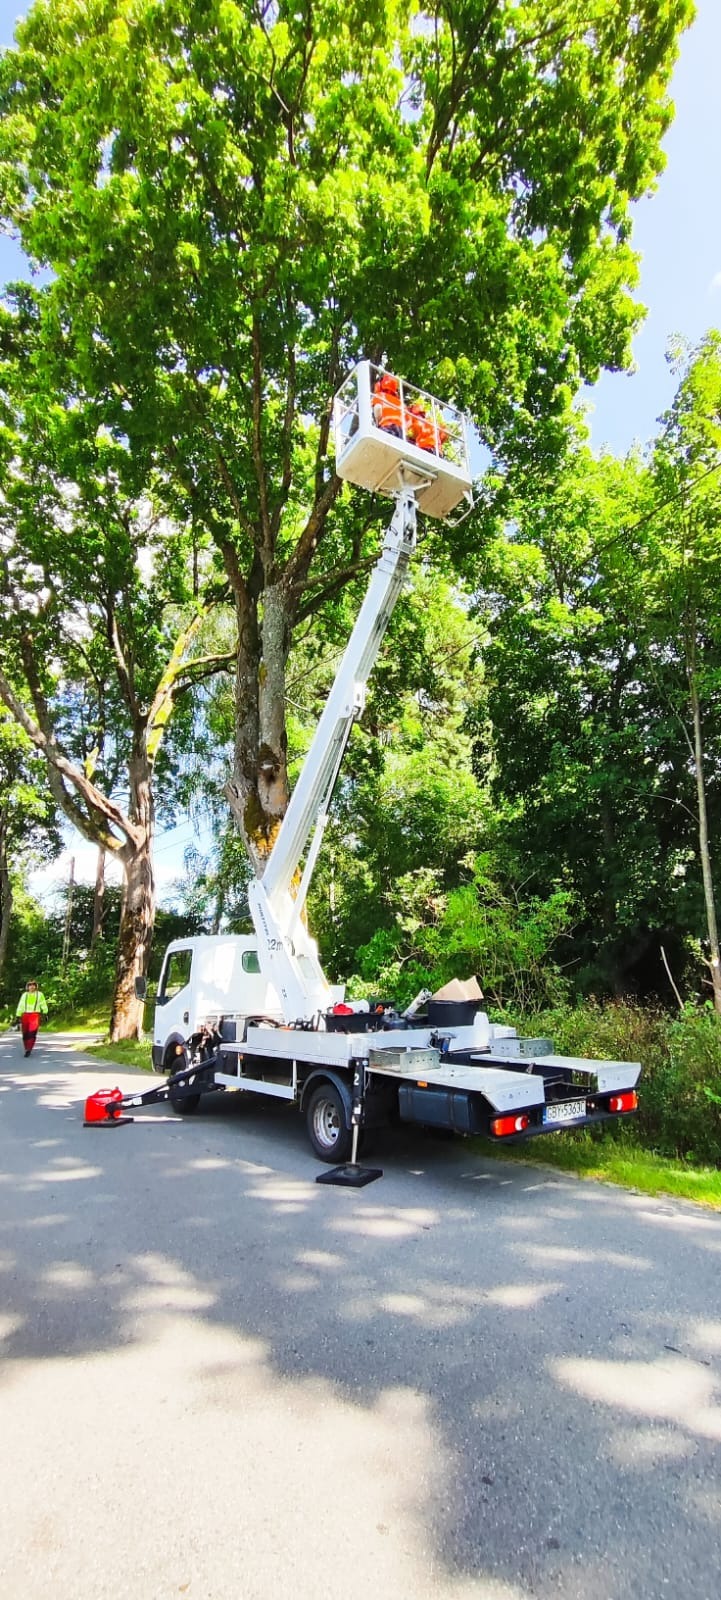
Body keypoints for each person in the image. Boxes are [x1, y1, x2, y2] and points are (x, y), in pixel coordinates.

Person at [15, 980, 49, 1057]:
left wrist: (45, 1013)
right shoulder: (25, 995)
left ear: (36, 986)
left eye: (33, 985)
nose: (32, 986)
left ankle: (29, 1049)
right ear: (28, 987)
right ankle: (26, 1047)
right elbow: (21, 1005)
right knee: (25, 1033)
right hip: (25, 1015)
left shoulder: (40, 994)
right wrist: (18, 1015)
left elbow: (43, 1003)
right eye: (30, 985)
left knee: (32, 1033)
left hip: (35, 1015)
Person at [371, 371, 405, 438]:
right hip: (400, 431)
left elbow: (378, 408)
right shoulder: (400, 402)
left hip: (386, 426)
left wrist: (378, 421)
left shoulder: (380, 396)